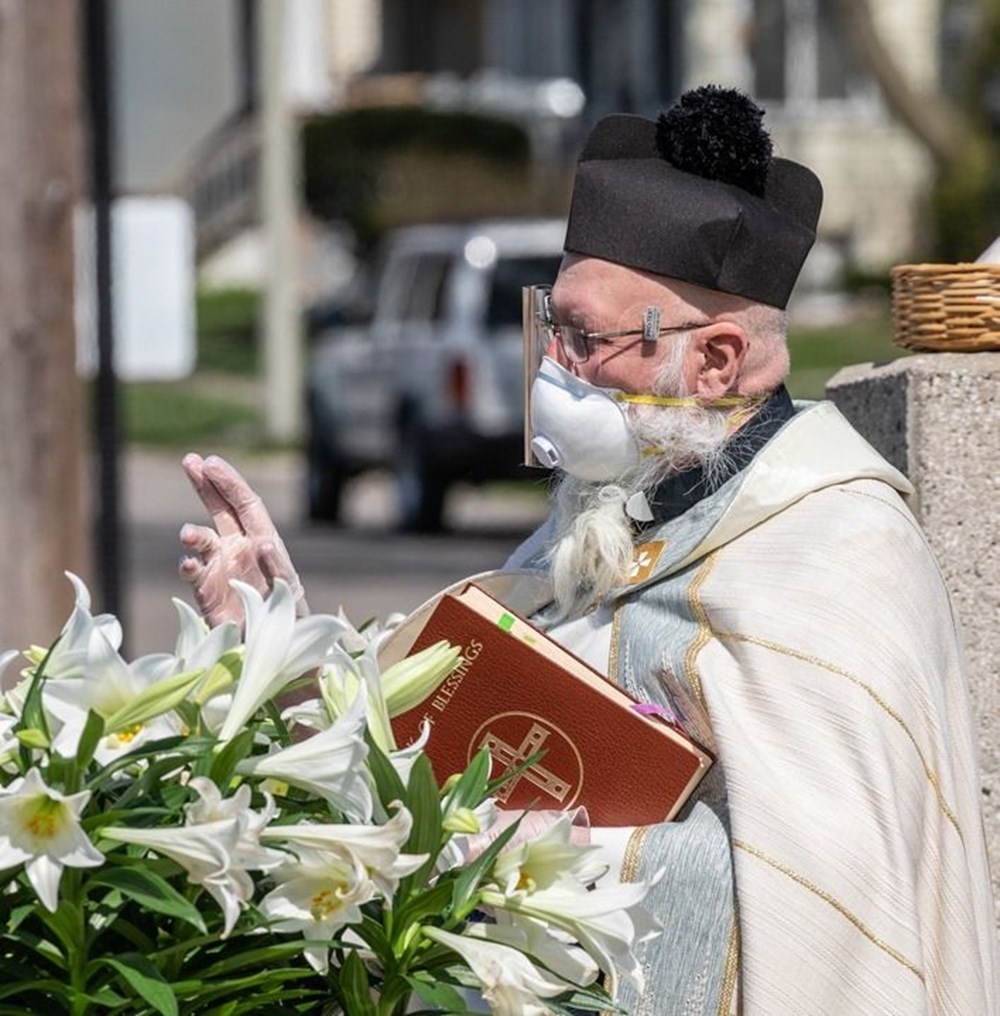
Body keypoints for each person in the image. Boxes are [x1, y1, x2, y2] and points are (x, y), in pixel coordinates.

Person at [178, 86, 999, 1013]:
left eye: (585, 339)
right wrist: (284, 641)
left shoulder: (838, 552)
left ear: (717, 360)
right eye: (551, 325)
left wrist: (495, 848)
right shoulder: (612, 509)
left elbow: (833, 916)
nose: (551, 368)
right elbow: (439, 714)